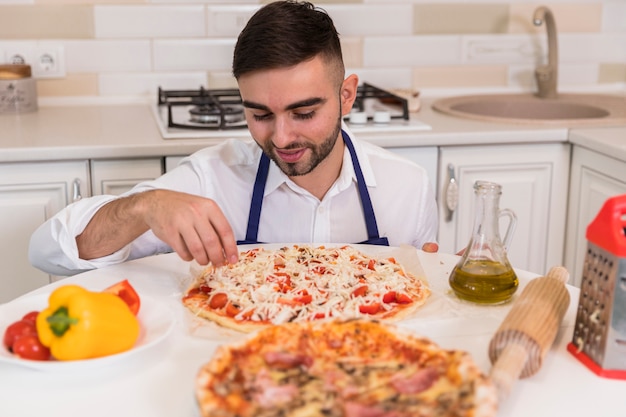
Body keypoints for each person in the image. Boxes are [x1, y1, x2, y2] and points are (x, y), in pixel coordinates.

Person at [28, 0, 438, 277]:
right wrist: (142, 207)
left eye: (304, 112)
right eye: (260, 114)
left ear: (346, 95)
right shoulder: (210, 179)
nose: (281, 137)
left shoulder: (408, 187)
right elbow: (48, 251)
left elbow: (433, 297)